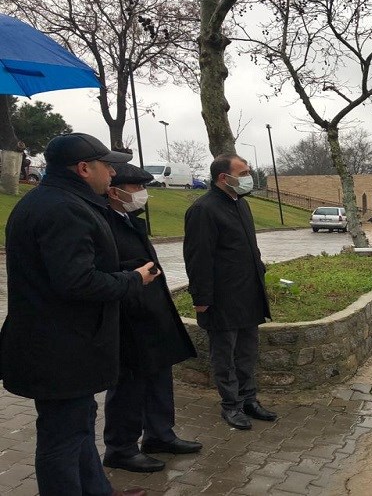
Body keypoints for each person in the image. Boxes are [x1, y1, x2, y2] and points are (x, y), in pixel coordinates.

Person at [0, 133, 160, 496]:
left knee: (78, 427)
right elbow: (77, 282)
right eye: (107, 165)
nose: (111, 173)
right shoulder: (64, 209)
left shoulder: (54, 201)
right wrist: (133, 279)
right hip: (60, 349)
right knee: (62, 439)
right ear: (84, 168)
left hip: (64, 345)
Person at [102, 163, 202, 473]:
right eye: (135, 188)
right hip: (129, 318)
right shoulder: (103, 222)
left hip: (152, 314)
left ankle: (160, 434)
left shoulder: (129, 219)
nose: (141, 194)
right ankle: (121, 448)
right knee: (128, 386)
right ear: (114, 190)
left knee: (159, 378)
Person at [183, 153, 277, 430]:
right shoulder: (204, 209)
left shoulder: (242, 204)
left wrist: (258, 269)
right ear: (224, 177)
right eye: (244, 172)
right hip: (222, 298)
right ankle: (231, 405)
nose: (249, 177)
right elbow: (198, 258)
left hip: (248, 294)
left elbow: (248, 247)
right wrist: (201, 299)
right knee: (224, 355)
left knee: (247, 352)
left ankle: (249, 400)